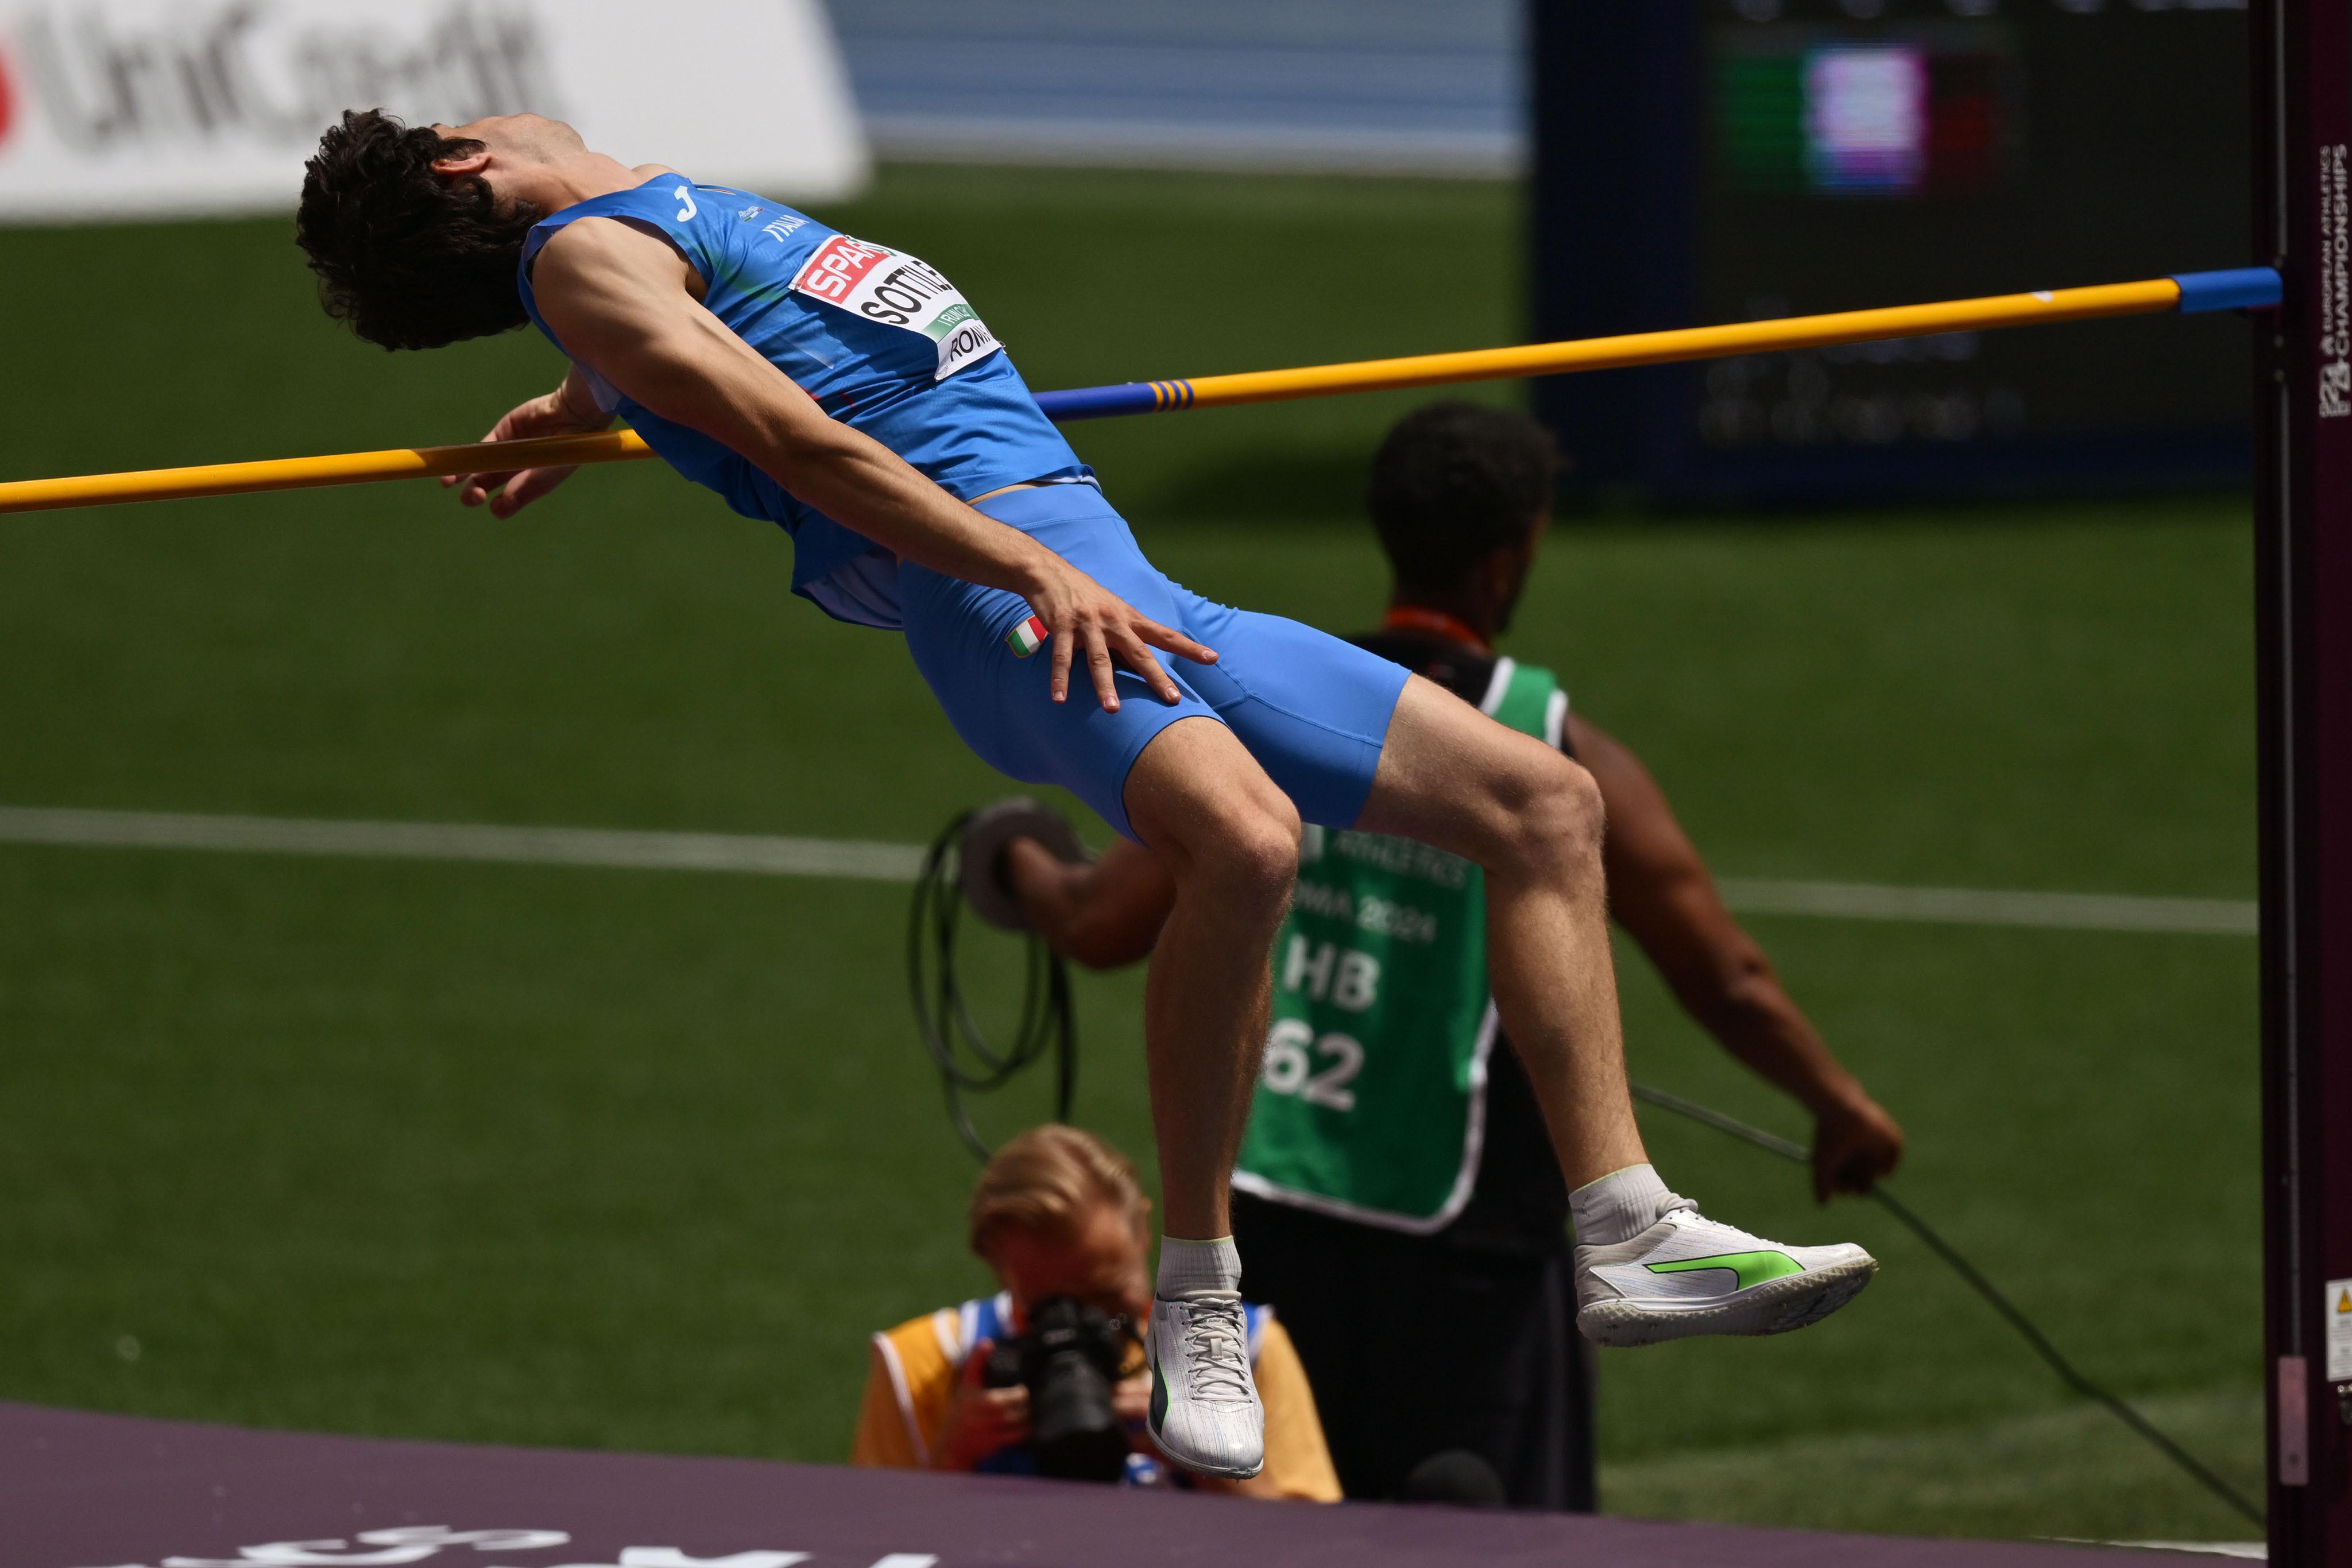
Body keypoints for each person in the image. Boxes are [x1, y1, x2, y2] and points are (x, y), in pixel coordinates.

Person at [294, 109, 1878, 1482]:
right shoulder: (582, 259)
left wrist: (586, 409)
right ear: (465, 159)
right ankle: (1197, 1288)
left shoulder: (619, 241)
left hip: (1108, 571)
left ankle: (1625, 1228)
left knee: (1544, 805)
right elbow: (792, 429)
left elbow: (717, 355)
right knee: (1248, 842)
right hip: (1010, 593)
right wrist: (1013, 560)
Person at [978, 402, 1906, 1508]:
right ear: (1516, 552)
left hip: (1275, 1227)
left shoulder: (1276, 714)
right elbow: (1727, 977)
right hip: (1473, 1265)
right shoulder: (1542, 750)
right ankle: (1634, 1230)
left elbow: (1097, 922)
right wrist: (1839, 1106)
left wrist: (1015, 863)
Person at [850, 1125, 1340, 1500]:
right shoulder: (925, 1365)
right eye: (1052, 1305)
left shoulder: (1242, 1354)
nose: (1087, 1321)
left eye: (1108, 1292)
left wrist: (1209, 1466)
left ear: (1144, 1232)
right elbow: (859, 1547)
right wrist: (953, 1456)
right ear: (999, 1270)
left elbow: (1318, 1548)